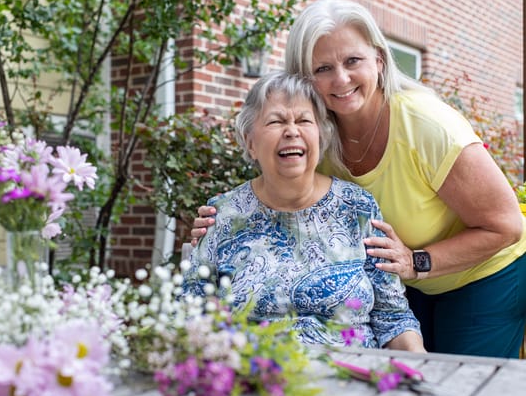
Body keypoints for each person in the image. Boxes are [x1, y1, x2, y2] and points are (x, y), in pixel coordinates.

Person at [191, 0, 526, 358]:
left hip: (485, 274)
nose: (341, 79)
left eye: (353, 61)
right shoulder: (318, 130)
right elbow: (286, 201)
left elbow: (506, 225)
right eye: (322, 68)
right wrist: (222, 223)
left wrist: (416, 262)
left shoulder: (426, 126)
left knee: (461, 381)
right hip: (405, 279)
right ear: (304, 78)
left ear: (378, 61)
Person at [182, 70, 425, 352]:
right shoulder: (222, 215)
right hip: (253, 377)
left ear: (321, 137)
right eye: (275, 121)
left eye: (304, 120)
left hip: (352, 378)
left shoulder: (357, 207)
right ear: (250, 142)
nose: (291, 131)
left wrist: (421, 367)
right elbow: (192, 316)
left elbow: (392, 318)